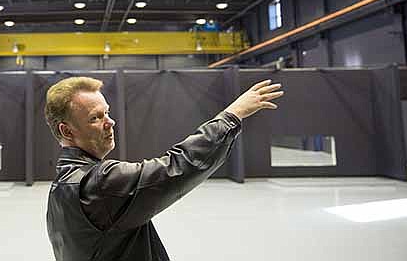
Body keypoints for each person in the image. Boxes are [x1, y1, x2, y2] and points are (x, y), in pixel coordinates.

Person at [44, 76, 284, 261]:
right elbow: (177, 166)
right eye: (96, 118)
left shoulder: (61, 186)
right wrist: (233, 115)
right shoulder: (98, 183)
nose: (110, 122)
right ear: (67, 131)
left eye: (107, 112)